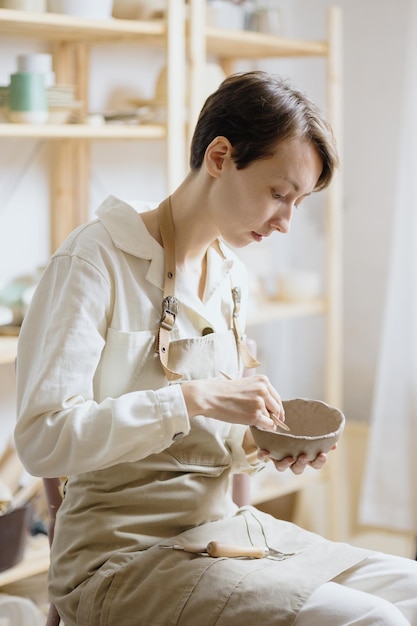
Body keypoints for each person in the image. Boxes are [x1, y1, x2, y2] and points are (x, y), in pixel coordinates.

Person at [14, 71, 417, 626]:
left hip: (219, 533)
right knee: (376, 621)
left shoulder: (230, 277)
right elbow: (42, 440)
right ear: (220, 156)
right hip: (122, 553)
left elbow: (212, 442)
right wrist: (192, 398)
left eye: (298, 202)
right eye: (279, 194)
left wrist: (262, 441)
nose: (285, 222)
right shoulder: (95, 261)